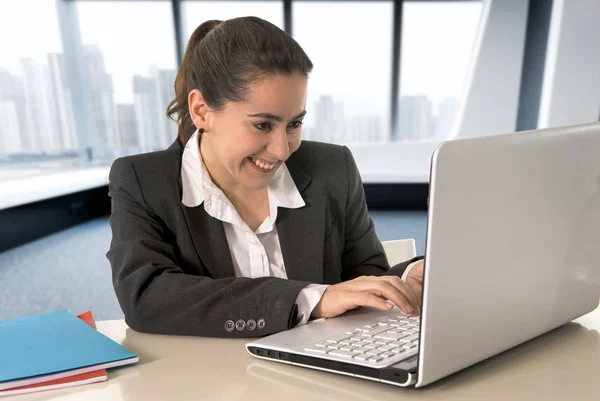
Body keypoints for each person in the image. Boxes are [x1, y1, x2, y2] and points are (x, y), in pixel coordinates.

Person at [106, 17, 424, 338]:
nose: (282, 149)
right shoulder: (142, 180)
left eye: (294, 123)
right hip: (211, 381)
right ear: (202, 110)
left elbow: (364, 276)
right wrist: (309, 299)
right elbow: (146, 299)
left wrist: (408, 277)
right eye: (263, 125)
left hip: (322, 375)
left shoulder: (333, 166)